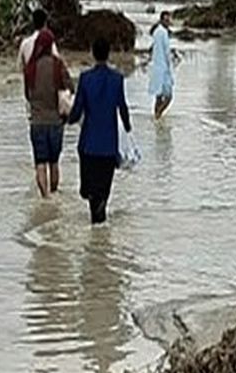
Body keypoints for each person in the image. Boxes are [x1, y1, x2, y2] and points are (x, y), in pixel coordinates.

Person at [67, 37, 132, 225]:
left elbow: (77, 109)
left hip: (89, 145)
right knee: (104, 188)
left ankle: (96, 223)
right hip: (109, 146)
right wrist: (127, 127)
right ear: (108, 53)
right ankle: (100, 226)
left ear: (92, 53)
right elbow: (123, 107)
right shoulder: (117, 79)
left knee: (90, 190)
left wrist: (68, 120)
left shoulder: (86, 79)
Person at [25, 28, 73, 199]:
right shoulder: (58, 65)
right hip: (55, 122)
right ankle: (53, 193)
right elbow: (70, 88)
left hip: (36, 122)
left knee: (40, 163)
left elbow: (27, 95)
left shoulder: (30, 68)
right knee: (54, 162)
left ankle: (45, 197)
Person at [148, 12, 174, 120]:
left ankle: (156, 117)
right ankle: (158, 115)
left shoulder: (156, 32)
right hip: (163, 68)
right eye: (166, 20)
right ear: (162, 20)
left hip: (156, 68)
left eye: (169, 20)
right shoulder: (163, 33)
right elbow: (167, 52)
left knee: (158, 97)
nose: (168, 22)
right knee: (169, 96)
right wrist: (170, 67)